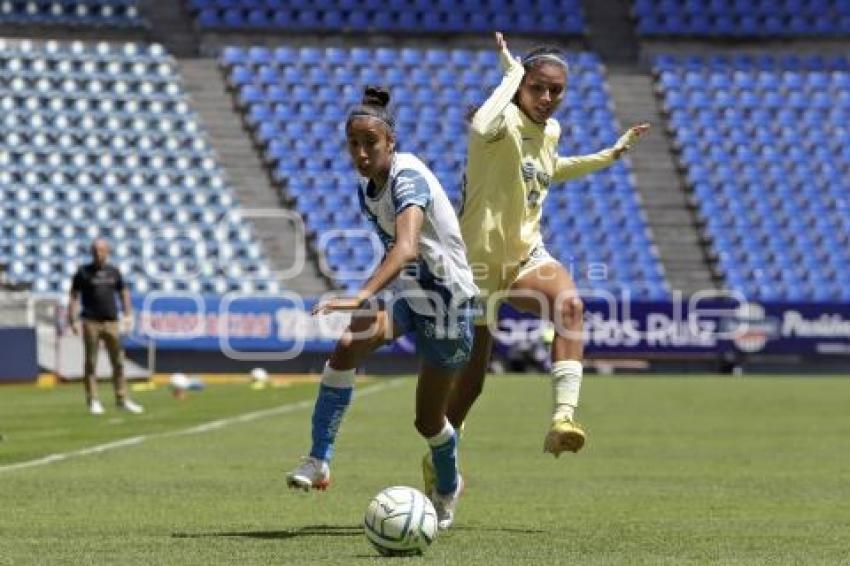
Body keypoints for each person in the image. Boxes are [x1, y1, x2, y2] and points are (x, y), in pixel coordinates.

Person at [424, 32, 650, 489]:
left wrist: (609, 155)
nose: (547, 98)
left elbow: (550, 168)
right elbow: (480, 123)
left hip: (526, 254)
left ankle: (563, 419)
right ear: (521, 84)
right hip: (476, 269)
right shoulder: (498, 123)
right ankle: (439, 459)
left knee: (570, 306)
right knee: (470, 388)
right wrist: (509, 75)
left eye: (557, 91)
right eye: (538, 87)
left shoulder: (550, 131)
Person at [285, 86, 478, 531]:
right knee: (348, 345)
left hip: (449, 303)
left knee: (429, 421)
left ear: (391, 142)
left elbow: (407, 247)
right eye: (353, 144)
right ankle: (318, 460)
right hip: (411, 293)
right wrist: (370, 296)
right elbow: (398, 251)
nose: (360, 152)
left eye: (369, 143)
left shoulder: (407, 179)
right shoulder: (367, 186)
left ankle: (447, 487)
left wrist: (359, 294)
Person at [67, 239, 143, 415]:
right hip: (90, 321)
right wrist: (72, 319)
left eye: (101, 251)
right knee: (91, 362)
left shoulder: (114, 272)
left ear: (107, 252)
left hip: (111, 321)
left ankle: (122, 398)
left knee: (118, 361)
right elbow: (74, 296)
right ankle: (93, 400)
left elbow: (123, 292)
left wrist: (128, 314)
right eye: (95, 251)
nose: (98, 254)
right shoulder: (83, 272)